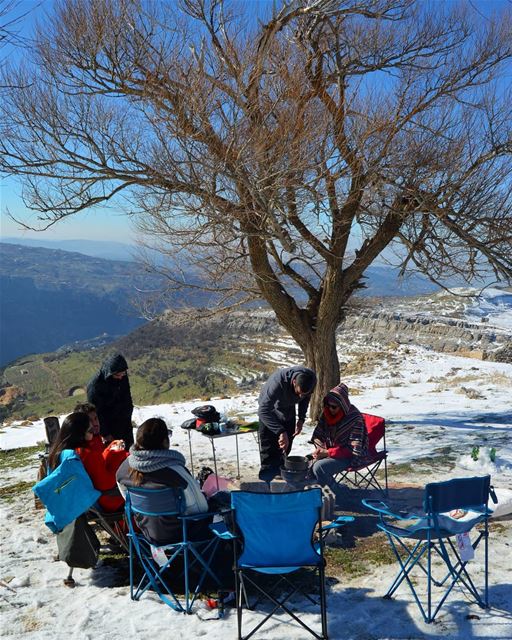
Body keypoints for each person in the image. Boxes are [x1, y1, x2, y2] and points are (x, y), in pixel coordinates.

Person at [116, 418, 210, 545]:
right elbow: (201, 508)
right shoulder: (176, 473)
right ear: (165, 441)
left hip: (148, 534)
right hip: (183, 536)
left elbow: (129, 501)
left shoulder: (123, 470)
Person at [48, 412, 129, 513]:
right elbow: (105, 484)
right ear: (80, 432)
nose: (94, 432)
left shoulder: (61, 452)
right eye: (90, 431)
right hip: (105, 501)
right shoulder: (86, 453)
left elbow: (96, 468)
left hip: (83, 503)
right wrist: (118, 456)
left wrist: (109, 451)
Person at [257, 365, 317, 482]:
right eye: (299, 393)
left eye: (304, 394)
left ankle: (280, 474)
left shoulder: (311, 380)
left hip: (288, 409)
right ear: (294, 382)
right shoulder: (277, 383)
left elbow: (305, 398)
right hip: (269, 411)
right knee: (268, 449)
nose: (301, 396)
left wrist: (301, 419)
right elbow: (262, 411)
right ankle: (266, 481)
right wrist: (280, 431)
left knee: (285, 445)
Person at [310, 383, 368, 499]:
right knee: (307, 464)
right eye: (328, 405)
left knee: (319, 467)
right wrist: (320, 448)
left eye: (334, 407)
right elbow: (318, 435)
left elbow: (353, 449)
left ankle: (337, 496)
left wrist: (328, 453)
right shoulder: (327, 414)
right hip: (329, 452)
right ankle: (320, 495)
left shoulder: (354, 419)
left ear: (342, 405)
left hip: (349, 457)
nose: (330, 409)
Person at [87, 353, 134, 448]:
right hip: (108, 426)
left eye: (123, 374)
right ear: (110, 373)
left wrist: (128, 415)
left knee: (128, 453)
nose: (121, 377)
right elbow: (96, 412)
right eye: (118, 375)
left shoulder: (122, 376)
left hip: (124, 423)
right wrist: (105, 433)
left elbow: (127, 398)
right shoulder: (95, 386)